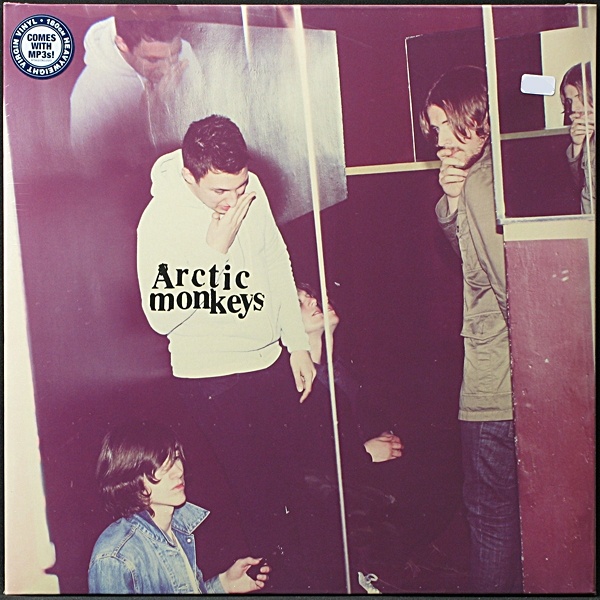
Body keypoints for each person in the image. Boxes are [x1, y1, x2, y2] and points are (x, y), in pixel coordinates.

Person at [136, 114, 315, 591]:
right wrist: (211, 253)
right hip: (211, 379)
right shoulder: (160, 218)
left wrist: (296, 342)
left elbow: (274, 258)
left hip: (267, 363)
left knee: (290, 494)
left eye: (240, 186)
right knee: (253, 508)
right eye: (220, 191)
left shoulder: (245, 186)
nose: (234, 200)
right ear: (189, 175)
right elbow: (159, 316)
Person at [419, 65, 522, 593]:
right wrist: (454, 203)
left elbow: (512, 296)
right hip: (503, 378)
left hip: (494, 382)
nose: (438, 140)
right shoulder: (482, 177)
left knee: (490, 517)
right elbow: (475, 260)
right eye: (434, 128)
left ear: (475, 119)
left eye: (445, 125)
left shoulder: (483, 183)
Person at [88, 421, 270, 594]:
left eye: (175, 458)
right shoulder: (116, 557)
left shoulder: (175, 530)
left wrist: (224, 584)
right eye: (159, 465)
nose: (178, 471)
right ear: (131, 479)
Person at [70, 5, 200, 172]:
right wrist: (150, 120)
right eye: (153, 60)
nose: (167, 69)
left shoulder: (184, 51)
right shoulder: (91, 91)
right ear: (122, 44)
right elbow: (93, 170)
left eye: (174, 54)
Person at [560, 62, 595, 215]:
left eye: (579, 97)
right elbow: (579, 187)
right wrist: (577, 146)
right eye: (570, 101)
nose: (574, 108)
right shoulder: (586, 132)